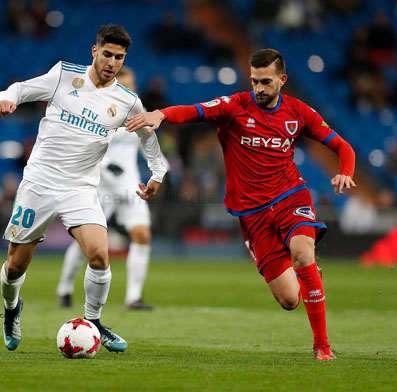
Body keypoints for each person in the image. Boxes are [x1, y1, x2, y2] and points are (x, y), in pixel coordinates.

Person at [126, 48, 356, 360]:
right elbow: (194, 111)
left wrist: (346, 172)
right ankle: (305, 273)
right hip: (252, 212)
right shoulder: (234, 106)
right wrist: (162, 114)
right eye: (254, 81)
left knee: (303, 252)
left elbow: (342, 146)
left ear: (282, 80)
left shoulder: (299, 112)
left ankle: (322, 347)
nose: (259, 88)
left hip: (291, 196)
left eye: (265, 81)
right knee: (290, 299)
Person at [0, 24, 167, 353]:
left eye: (119, 57)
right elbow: (19, 88)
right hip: (39, 182)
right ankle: (12, 309)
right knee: (15, 265)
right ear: (94, 51)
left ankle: (94, 322)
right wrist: (6, 100)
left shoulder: (127, 101)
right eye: (107, 54)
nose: (112, 62)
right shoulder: (63, 76)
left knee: (100, 255)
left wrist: (157, 172)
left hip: (81, 187)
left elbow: (148, 137)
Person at [56, 66, 163, 310]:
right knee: (89, 242)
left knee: (142, 235)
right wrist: (105, 167)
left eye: (131, 83)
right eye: (123, 84)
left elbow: (149, 147)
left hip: (129, 184)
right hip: (100, 183)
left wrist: (159, 173)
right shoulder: (98, 110)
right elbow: (85, 147)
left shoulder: (140, 112)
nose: (128, 88)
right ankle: (64, 287)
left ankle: (133, 298)